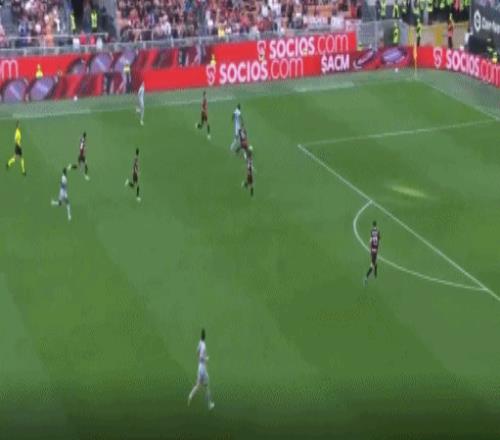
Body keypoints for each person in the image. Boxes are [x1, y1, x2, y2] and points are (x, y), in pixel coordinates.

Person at [188, 329, 215, 410]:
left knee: (198, 385)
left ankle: (190, 396)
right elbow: (201, 357)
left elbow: (197, 352)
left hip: (199, 367)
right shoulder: (204, 346)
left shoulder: (200, 343)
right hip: (203, 368)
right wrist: (206, 359)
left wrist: (201, 359)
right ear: (205, 336)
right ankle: (210, 404)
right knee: (207, 387)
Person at [364, 221, 380, 285]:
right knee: (372, 265)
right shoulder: (378, 231)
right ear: (376, 225)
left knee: (375, 263)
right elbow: (379, 239)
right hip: (375, 251)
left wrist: (370, 250)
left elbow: (370, 242)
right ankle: (366, 277)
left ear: (372, 225)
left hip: (373, 250)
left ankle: (375, 275)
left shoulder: (372, 232)